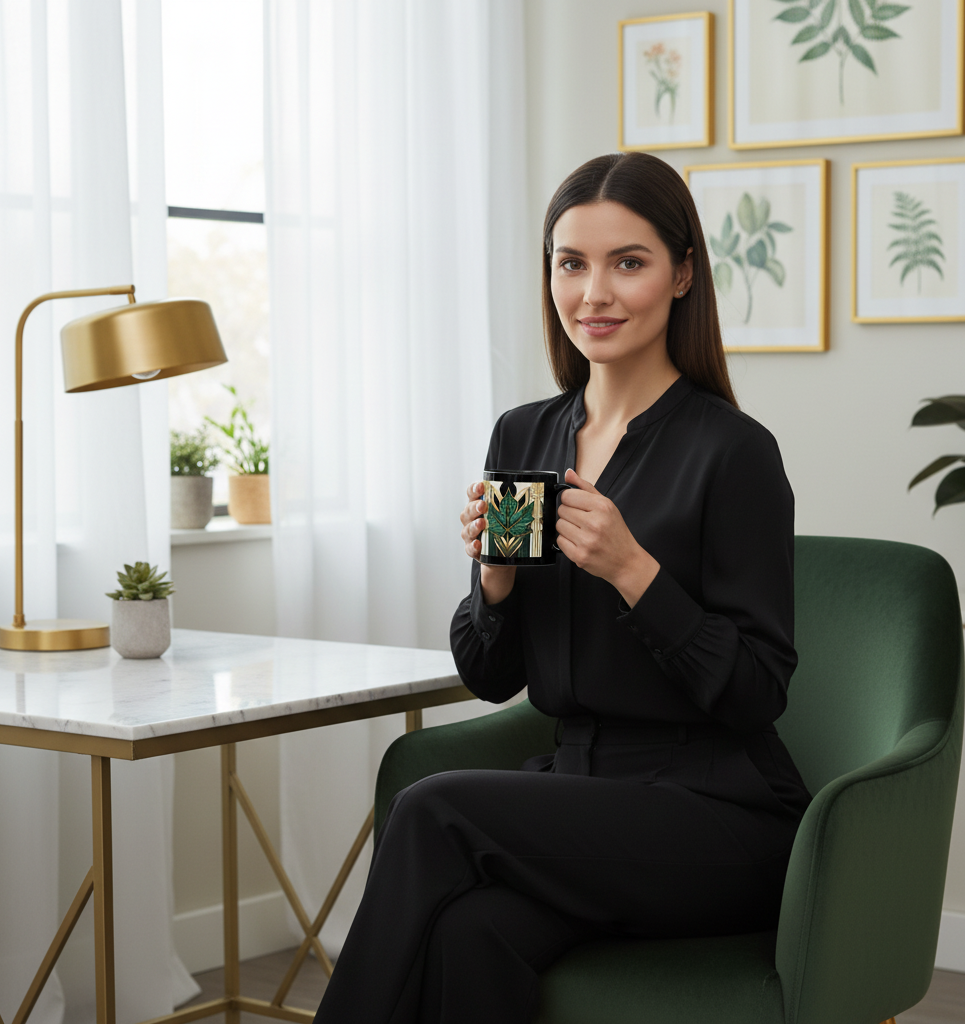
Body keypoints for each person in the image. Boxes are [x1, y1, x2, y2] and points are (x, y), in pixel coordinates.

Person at [312, 151, 811, 1024]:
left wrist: (633, 571)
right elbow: (490, 676)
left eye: (628, 262)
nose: (594, 294)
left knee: (431, 808)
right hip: (578, 798)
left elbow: (757, 691)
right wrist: (495, 581)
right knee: (469, 934)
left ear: (682, 273)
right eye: (571, 263)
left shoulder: (734, 452)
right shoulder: (524, 435)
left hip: (719, 817)